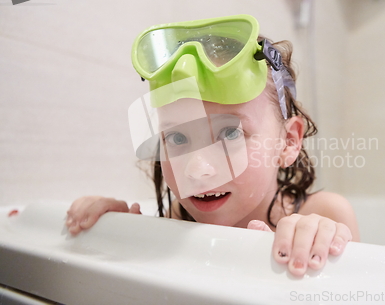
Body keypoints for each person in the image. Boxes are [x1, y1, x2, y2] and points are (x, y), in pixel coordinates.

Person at [65, 14, 359, 277]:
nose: (198, 170)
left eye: (230, 133)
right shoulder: (177, 218)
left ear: (288, 142)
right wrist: (119, 230)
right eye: (177, 138)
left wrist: (320, 241)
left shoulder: (325, 215)